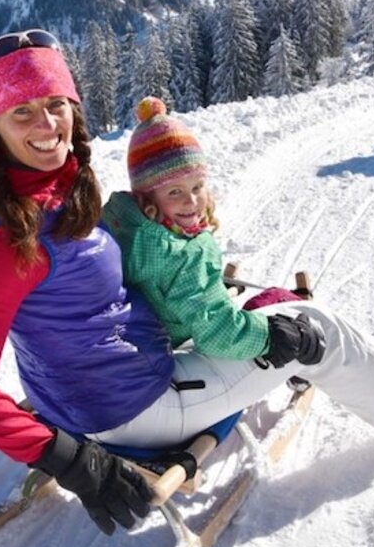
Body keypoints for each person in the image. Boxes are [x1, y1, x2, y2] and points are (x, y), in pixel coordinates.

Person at [0, 29, 374, 539]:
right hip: (134, 407)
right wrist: (72, 461)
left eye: (56, 102)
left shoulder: (53, 185)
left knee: (240, 306)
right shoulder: (5, 240)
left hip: (89, 390)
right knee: (313, 328)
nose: (47, 123)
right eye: (22, 111)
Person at [100, 96, 325, 367]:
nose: (191, 201)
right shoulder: (184, 256)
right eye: (175, 191)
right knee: (278, 301)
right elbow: (219, 333)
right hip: (179, 356)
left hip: (138, 343)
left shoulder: (120, 222)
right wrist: (273, 338)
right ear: (147, 197)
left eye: (197, 187)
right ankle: (302, 364)